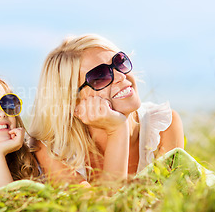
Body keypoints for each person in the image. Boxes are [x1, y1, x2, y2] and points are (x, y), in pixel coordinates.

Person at [29, 34, 184, 186]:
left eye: (119, 62)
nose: (120, 76)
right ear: (71, 100)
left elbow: (166, 203)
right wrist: (117, 130)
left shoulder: (163, 126)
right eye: (100, 76)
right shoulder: (51, 149)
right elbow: (101, 210)